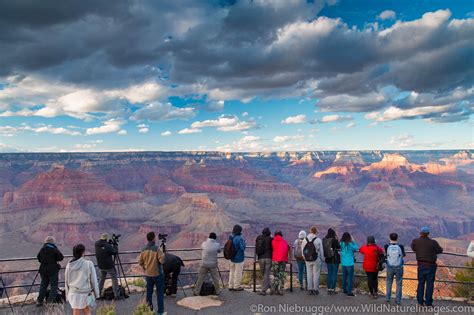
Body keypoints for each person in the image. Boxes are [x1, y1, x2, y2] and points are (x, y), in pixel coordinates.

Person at [411, 227, 443, 306]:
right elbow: (440, 250)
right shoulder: (433, 242)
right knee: (430, 284)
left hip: (421, 265)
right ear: (428, 234)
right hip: (431, 265)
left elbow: (413, 248)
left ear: (420, 233)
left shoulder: (415, 241)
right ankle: (428, 302)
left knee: (421, 283)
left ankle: (420, 302)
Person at [65, 244, 100, 315]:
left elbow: (66, 281)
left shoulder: (69, 265)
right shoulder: (88, 264)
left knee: (75, 310)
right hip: (85, 293)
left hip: (73, 292)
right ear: (83, 252)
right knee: (86, 310)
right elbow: (94, 280)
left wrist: (67, 295)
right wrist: (97, 293)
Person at [138, 232, 166, 314]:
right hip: (157, 274)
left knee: (149, 293)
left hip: (148, 275)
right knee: (160, 293)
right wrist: (162, 254)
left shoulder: (143, 249)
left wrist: (145, 268)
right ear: (153, 238)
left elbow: (140, 262)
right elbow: (162, 261)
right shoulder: (157, 249)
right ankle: (160, 312)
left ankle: (149, 311)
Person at [36, 236, 64, 306]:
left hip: (43, 269)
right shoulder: (54, 249)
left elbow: (39, 258)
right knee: (53, 285)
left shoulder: (42, 249)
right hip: (53, 270)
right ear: (53, 242)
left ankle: (40, 301)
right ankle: (50, 301)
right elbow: (61, 257)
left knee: (43, 285)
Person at [94, 233, 120, 300]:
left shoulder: (96, 244)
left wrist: (109, 244)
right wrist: (114, 245)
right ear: (106, 238)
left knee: (102, 279)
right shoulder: (107, 246)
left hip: (101, 265)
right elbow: (115, 252)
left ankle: (98, 294)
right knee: (114, 278)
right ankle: (116, 295)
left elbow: (104, 248)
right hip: (109, 266)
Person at [301, 226, 324, 295]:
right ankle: (315, 289)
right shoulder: (318, 240)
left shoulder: (305, 240)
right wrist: (322, 258)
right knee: (316, 274)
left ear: (310, 231)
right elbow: (321, 250)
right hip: (316, 259)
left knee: (309, 274)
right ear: (316, 232)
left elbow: (303, 250)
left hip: (307, 259)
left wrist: (304, 257)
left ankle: (310, 289)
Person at [384, 233, 406, 305]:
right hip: (399, 267)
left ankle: (387, 298)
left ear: (389, 238)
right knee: (399, 284)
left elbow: (386, 255)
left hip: (390, 267)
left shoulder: (386, 246)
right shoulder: (401, 246)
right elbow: (403, 255)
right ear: (397, 238)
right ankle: (398, 300)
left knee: (389, 282)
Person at [270, 230, 290, 295]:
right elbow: (288, 249)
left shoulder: (272, 241)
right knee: (281, 275)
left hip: (275, 260)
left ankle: (274, 288)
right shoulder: (285, 242)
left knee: (276, 275)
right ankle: (281, 290)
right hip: (283, 260)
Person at [339, 232, 358, 296]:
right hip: (350, 263)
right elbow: (356, 248)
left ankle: (344, 289)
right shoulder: (350, 244)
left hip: (343, 263)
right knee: (350, 278)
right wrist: (353, 241)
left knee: (344, 277)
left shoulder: (341, 243)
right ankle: (349, 291)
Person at [228, 224, 246, 291]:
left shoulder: (231, 237)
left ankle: (230, 285)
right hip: (239, 258)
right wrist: (244, 242)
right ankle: (236, 286)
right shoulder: (239, 238)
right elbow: (242, 248)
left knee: (231, 272)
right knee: (238, 272)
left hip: (231, 258)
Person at [323, 228, 341, 295]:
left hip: (328, 259)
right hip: (335, 259)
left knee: (329, 274)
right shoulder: (334, 240)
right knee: (334, 274)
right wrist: (337, 239)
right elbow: (339, 247)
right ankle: (332, 289)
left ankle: (329, 289)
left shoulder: (324, 239)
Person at [255, 227, 272, 295]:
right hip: (268, 258)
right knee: (266, 273)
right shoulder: (270, 239)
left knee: (264, 273)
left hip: (260, 258)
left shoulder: (258, 238)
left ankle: (269, 285)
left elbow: (256, 247)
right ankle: (263, 290)